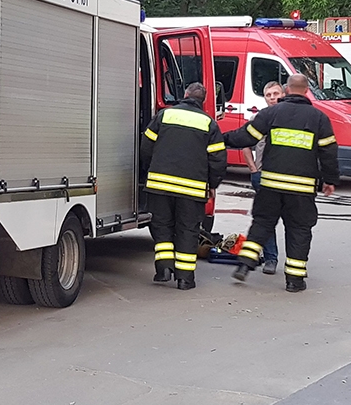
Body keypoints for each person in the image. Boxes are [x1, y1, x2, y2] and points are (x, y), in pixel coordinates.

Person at [225, 74, 339, 292]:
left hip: (271, 185)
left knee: (262, 224)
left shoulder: (271, 113)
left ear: (286, 90)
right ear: (306, 91)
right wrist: (330, 180)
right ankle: (294, 281)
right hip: (302, 189)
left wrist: (220, 139)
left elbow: (246, 136)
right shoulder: (319, 118)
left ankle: (245, 264)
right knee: (299, 230)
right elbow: (329, 152)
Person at [141, 82, 227, 290]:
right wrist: (213, 184)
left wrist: (149, 169)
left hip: (160, 184)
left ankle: (163, 270)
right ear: (203, 101)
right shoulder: (209, 123)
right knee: (188, 230)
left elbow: (146, 146)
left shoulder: (165, 115)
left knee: (162, 226)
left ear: (185, 94)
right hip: (192, 190)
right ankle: (185, 279)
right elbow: (218, 159)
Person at [241, 81, 282, 274]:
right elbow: (245, 143)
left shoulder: (290, 118)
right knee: (266, 219)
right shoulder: (259, 119)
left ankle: (295, 260)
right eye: (268, 95)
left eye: (276, 94)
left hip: (286, 176)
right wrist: (253, 168)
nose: (272, 98)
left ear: (284, 94)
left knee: (291, 221)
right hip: (263, 176)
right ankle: (270, 258)